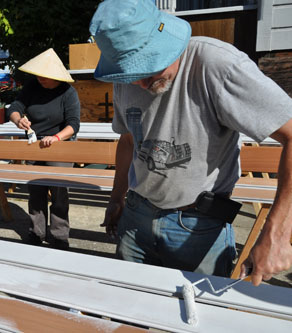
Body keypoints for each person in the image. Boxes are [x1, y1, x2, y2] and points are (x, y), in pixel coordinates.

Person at [89, 0, 292, 285]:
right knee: (132, 312)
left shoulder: (218, 65)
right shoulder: (126, 77)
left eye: (149, 69)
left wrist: (278, 233)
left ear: (168, 40)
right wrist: (116, 197)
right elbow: (128, 139)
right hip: (136, 215)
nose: (141, 85)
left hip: (197, 223)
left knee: (201, 319)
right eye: (131, 74)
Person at [7, 48, 80, 250]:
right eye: (38, 76)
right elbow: (14, 108)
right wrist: (18, 120)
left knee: (59, 193)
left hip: (60, 145)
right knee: (36, 193)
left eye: (45, 77)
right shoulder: (31, 87)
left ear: (55, 76)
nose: (40, 79)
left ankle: (59, 235)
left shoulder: (68, 93)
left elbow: (74, 124)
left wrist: (55, 138)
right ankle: (36, 232)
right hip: (34, 144)